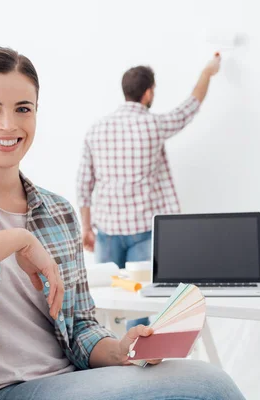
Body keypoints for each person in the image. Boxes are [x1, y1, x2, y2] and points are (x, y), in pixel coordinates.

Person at [0, 47, 244, 400]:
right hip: (2, 390)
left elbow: (80, 326)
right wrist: (15, 241)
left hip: (70, 380)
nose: (9, 124)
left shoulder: (58, 211)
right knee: (209, 386)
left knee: (203, 379)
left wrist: (121, 349)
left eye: (23, 109)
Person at [76, 55, 222, 271]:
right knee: (141, 296)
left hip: (107, 231)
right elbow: (190, 106)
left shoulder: (96, 129)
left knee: (107, 293)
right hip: (145, 230)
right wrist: (207, 72)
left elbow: (83, 185)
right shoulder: (154, 125)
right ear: (147, 93)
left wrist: (86, 227)